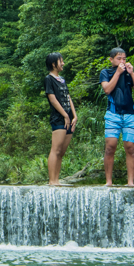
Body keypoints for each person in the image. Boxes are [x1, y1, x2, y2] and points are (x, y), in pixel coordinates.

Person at [100, 48, 134, 186]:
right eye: (119, 58)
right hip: (113, 114)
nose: (122, 61)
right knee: (110, 147)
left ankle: (130, 182)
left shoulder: (128, 73)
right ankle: (108, 181)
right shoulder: (105, 72)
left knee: (130, 147)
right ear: (111, 59)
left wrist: (132, 73)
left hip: (130, 115)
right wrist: (118, 73)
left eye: (124, 58)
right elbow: (107, 89)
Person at [45, 52, 78, 186]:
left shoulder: (62, 79)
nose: (63, 63)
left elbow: (68, 97)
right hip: (59, 118)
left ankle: (57, 179)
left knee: (62, 152)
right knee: (56, 149)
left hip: (69, 118)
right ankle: (52, 180)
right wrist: (64, 115)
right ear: (54, 64)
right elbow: (52, 99)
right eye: (61, 61)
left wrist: (74, 115)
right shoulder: (49, 79)